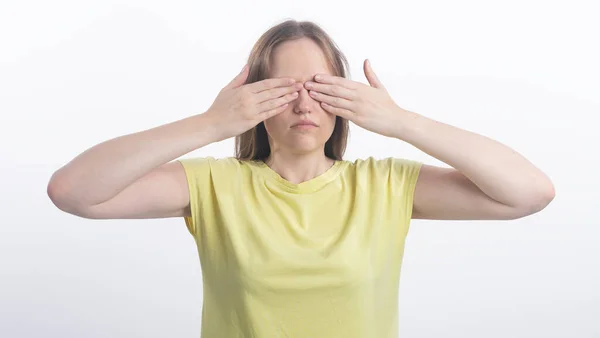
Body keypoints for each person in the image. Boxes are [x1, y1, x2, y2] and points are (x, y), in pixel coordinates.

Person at [47, 19, 555, 337]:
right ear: (256, 100)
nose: (305, 104)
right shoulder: (214, 185)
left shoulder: (385, 185)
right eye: (285, 88)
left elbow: (529, 193)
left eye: (320, 86)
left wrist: (403, 122)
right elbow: (73, 191)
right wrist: (210, 124)